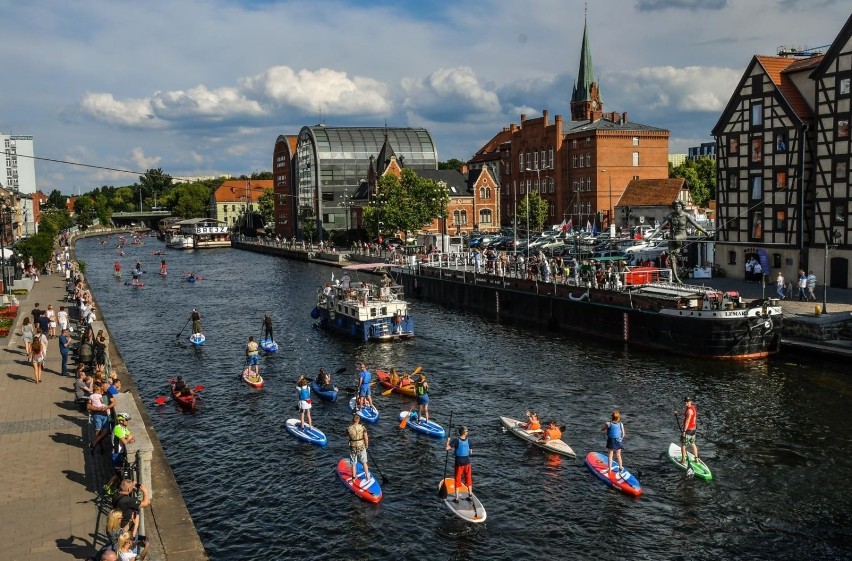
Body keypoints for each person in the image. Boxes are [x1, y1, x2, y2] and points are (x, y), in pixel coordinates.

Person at [644, 200, 708, 284]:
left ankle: (678, 249)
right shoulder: (670, 216)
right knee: (672, 258)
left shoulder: (686, 215)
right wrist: (651, 236)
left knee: (676, 238)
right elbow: (660, 228)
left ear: (682, 207)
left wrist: (705, 232)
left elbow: (696, 225)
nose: (677, 208)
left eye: (679, 206)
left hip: (681, 235)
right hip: (672, 238)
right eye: (676, 207)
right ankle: (676, 278)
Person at [104, 413, 136, 496]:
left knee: (120, 474)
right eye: (126, 420)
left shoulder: (124, 428)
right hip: (116, 455)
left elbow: (132, 438)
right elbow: (127, 440)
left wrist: (129, 438)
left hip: (120, 454)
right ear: (121, 421)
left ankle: (114, 487)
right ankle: (108, 487)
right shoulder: (118, 428)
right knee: (118, 474)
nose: (127, 422)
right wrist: (129, 438)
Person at [446, 425, 473, 503]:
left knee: (458, 480)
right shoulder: (469, 441)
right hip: (467, 463)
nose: (468, 432)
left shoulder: (456, 440)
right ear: (464, 433)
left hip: (459, 464)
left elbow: (447, 448)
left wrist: (448, 441)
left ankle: (457, 498)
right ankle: (470, 495)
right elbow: (471, 452)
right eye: (467, 431)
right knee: (468, 479)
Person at [346, 414, 371, 484]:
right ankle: (367, 476)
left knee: (353, 463)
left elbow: (345, 434)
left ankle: (354, 478)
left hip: (353, 447)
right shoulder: (363, 428)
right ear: (359, 420)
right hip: (361, 446)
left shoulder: (349, 428)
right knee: (364, 462)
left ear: (352, 420)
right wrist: (367, 445)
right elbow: (366, 438)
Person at [602, 410, 626, 475]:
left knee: (610, 455)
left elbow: (602, 429)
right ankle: (620, 468)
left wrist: (605, 426)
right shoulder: (621, 424)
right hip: (618, 441)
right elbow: (623, 434)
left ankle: (609, 470)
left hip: (611, 441)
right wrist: (620, 440)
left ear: (612, 417)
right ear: (618, 418)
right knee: (618, 455)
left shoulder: (608, 424)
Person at [679, 396, 699, 465]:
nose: (685, 403)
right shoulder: (692, 408)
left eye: (687, 402)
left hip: (688, 430)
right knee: (693, 443)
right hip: (693, 429)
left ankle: (683, 460)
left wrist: (684, 432)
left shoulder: (689, 411)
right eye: (685, 401)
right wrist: (678, 414)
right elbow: (688, 415)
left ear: (690, 402)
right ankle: (696, 459)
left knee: (683, 445)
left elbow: (687, 422)